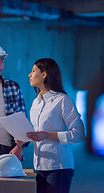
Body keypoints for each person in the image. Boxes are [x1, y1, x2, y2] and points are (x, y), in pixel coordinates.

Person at [17, 58, 85, 193]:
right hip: (39, 166)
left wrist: (46, 135)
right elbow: (37, 134)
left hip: (59, 168)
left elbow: (79, 134)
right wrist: (25, 139)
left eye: (33, 71)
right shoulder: (36, 103)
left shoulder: (63, 101)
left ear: (44, 74)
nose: (29, 75)